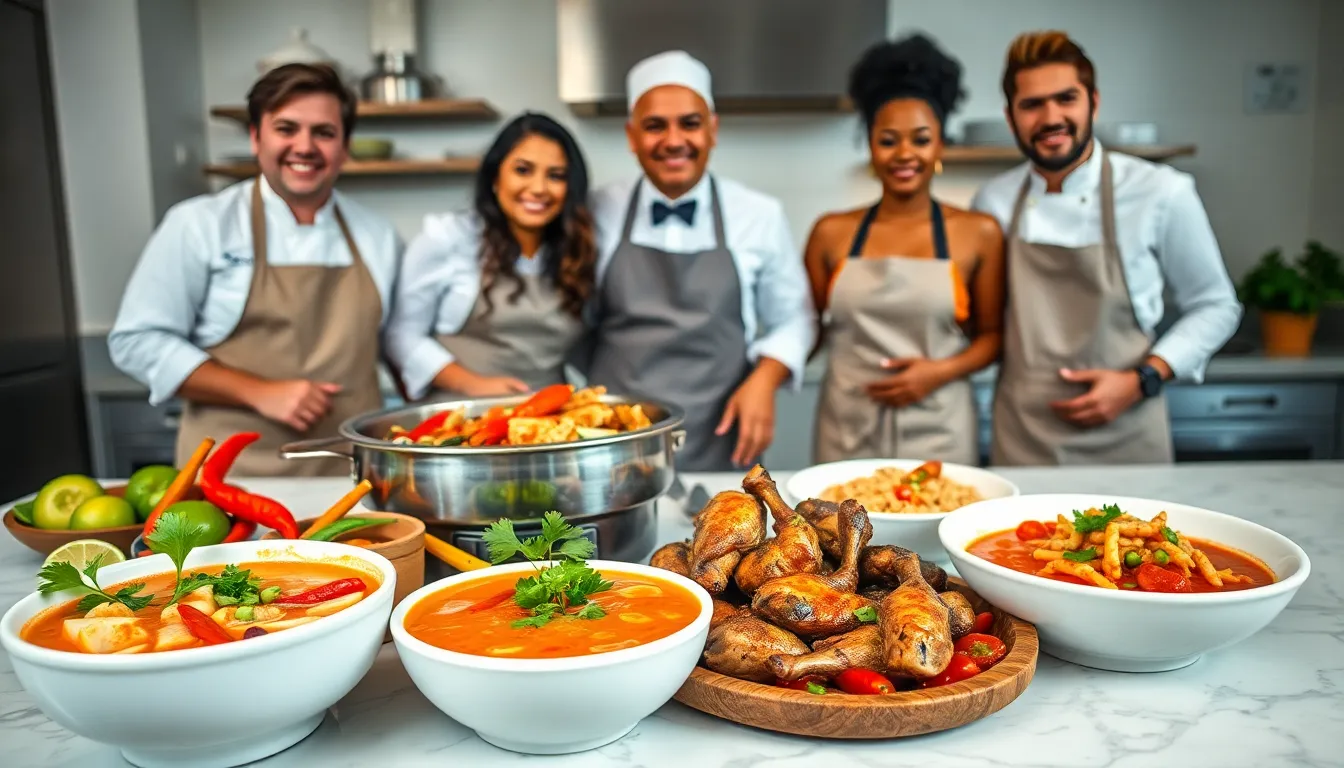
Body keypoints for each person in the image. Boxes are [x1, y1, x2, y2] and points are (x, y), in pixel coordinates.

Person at [109, 63, 402, 476]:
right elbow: (137, 340)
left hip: (352, 480)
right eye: (286, 129)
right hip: (230, 480)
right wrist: (259, 392)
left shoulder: (378, 236)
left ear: (345, 145)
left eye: (324, 132)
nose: (305, 146)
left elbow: (401, 345)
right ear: (255, 136)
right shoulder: (200, 225)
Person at [971, 31, 1242, 466]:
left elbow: (1217, 306)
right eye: (1032, 104)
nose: (1051, 117)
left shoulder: (1161, 191)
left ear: (1093, 102)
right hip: (1025, 439)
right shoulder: (993, 201)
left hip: (1128, 435)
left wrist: (1143, 378)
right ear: (1011, 117)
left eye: (1066, 98)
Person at [583, 50, 816, 471]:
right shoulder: (595, 210)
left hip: (722, 435)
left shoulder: (759, 214)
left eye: (690, 123)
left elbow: (795, 319)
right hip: (612, 442)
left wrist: (764, 381)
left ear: (713, 130)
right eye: (655, 126)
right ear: (632, 135)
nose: (674, 141)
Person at [806, 34, 1005, 466]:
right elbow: (807, 330)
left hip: (940, 430)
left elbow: (992, 337)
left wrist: (938, 372)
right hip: (846, 426)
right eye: (888, 139)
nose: (904, 154)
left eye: (920, 138)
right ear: (871, 146)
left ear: (940, 145)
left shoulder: (978, 233)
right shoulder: (830, 233)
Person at [384, 112, 597, 401]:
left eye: (556, 176)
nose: (538, 188)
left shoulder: (577, 251)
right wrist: (473, 384)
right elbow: (401, 337)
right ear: (496, 177)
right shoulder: (448, 239)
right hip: (461, 424)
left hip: (550, 428)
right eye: (523, 170)